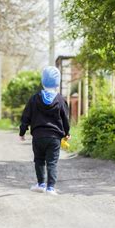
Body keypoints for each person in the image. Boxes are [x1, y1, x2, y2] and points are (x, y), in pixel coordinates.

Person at [19, 66, 70, 195]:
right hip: (54, 138)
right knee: (52, 162)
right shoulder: (60, 100)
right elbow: (65, 118)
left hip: (38, 136)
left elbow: (26, 116)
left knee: (39, 160)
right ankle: (51, 188)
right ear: (57, 83)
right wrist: (66, 133)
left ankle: (41, 184)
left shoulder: (34, 99)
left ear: (42, 81)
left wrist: (22, 132)